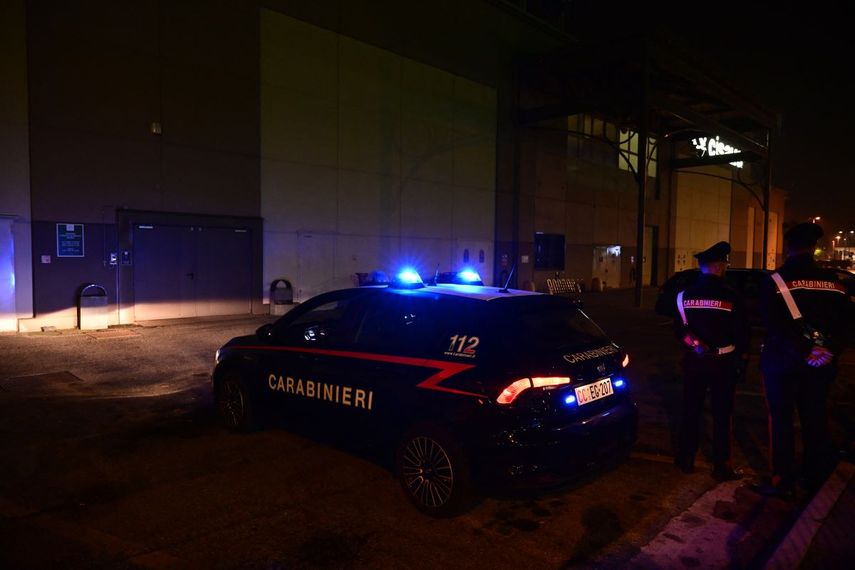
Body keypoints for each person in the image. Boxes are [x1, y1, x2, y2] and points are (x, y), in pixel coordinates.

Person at [753, 222, 849, 496]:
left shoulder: (775, 281)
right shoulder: (835, 283)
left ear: (788, 247)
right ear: (814, 247)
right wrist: (827, 350)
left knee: (781, 422)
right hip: (820, 365)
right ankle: (814, 477)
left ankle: (782, 480)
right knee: (815, 419)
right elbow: (847, 325)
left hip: (782, 363)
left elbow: (774, 324)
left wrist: (804, 349)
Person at [673, 241, 750, 482]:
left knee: (690, 410)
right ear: (718, 266)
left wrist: (695, 344)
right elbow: (742, 333)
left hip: (695, 360)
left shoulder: (684, 295)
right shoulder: (731, 295)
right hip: (723, 361)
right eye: (725, 264)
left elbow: (679, 330)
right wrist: (741, 360)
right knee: (722, 414)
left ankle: (686, 458)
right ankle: (721, 465)